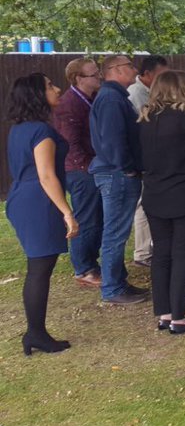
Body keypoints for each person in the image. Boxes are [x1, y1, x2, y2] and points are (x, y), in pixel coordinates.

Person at [6, 74, 79, 355]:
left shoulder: (20, 128)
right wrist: (67, 212)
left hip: (23, 197)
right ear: (37, 95)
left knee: (39, 267)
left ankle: (35, 331)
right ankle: (35, 333)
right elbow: (47, 176)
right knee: (39, 268)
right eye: (50, 86)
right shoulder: (40, 131)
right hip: (39, 201)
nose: (57, 88)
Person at [138, 71, 185, 335]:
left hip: (155, 192)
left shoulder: (144, 117)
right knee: (182, 252)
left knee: (161, 254)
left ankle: (164, 312)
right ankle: (178, 315)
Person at [90, 54, 149, 304]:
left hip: (115, 171)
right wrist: (127, 168)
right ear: (114, 70)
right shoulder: (111, 99)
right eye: (129, 66)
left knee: (117, 231)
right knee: (115, 232)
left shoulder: (115, 96)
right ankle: (112, 288)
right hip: (117, 173)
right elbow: (114, 140)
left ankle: (118, 281)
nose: (134, 70)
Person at [51, 58, 104, 288]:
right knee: (87, 219)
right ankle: (83, 268)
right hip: (80, 170)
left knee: (97, 218)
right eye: (93, 74)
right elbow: (70, 142)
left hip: (91, 167)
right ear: (79, 78)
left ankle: (90, 263)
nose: (99, 77)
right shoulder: (69, 104)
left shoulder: (91, 99)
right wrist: (87, 166)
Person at [127, 54, 168, 270]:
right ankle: (143, 251)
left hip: (153, 157)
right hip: (145, 157)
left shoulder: (150, 92)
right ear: (148, 74)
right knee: (143, 204)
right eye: (161, 75)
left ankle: (149, 247)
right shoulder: (136, 94)